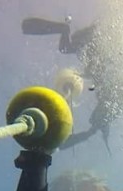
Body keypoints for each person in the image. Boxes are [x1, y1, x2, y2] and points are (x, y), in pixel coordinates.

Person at [22, 17, 114, 152]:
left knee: (66, 49)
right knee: (96, 122)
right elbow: (96, 69)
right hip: (89, 42)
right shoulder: (108, 94)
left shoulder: (107, 94)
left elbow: (95, 70)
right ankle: (64, 29)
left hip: (88, 42)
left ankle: (64, 29)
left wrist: (83, 74)